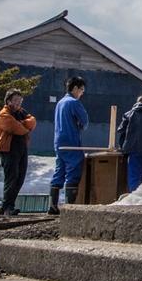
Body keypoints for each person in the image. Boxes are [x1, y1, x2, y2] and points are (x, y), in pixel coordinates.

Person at [49, 75, 89, 215]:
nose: (82, 93)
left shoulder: (60, 102)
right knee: (73, 172)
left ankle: (52, 206)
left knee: (59, 171)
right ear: (76, 88)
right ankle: (69, 208)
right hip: (72, 141)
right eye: (82, 90)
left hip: (58, 142)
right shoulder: (74, 102)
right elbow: (84, 121)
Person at [0, 89, 37, 216]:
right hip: (9, 150)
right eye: (15, 100)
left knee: (20, 178)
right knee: (11, 178)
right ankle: (7, 206)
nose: (18, 103)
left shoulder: (21, 112)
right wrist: (24, 125)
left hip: (21, 148)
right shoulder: (4, 113)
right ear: (8, 101)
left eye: (20, 100)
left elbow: (33, 121)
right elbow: (16, 128)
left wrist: (22, 123)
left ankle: (8, 205)